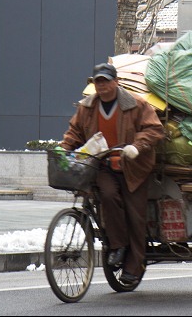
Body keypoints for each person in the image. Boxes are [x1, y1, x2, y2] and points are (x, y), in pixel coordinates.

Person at [60, 63, 165, 284]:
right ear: (94, 84)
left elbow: (154, 129)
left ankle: (135, 266)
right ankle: (118, 245)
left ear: (116, 82)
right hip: (104, 165)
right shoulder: (87, 107)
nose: (103, 86)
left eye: (106, 81)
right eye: (98, 82)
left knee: (135, 216)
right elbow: (74, 132)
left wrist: (137, 146)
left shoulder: (135, 104)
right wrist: (63, 150)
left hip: (134, 167)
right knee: (107, 196)